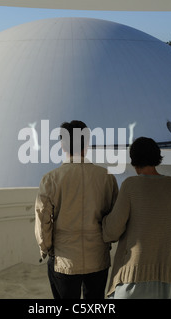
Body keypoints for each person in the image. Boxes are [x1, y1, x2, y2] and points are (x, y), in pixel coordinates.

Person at [102, 137, 171, 299]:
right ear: (157, 158)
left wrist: (104, 222)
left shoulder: (130, 185)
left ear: (134, 161)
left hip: (131, 277)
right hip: (165, 280)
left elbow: (113, 231)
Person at [34, 120, 119, 299]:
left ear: (62, 145)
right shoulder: (107, 178)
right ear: (87, 144)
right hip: (97, 256)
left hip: (64, 259)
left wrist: (47, 248)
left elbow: (43, 221)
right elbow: (115, 218)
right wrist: (107, 242)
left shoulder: (50, 179)